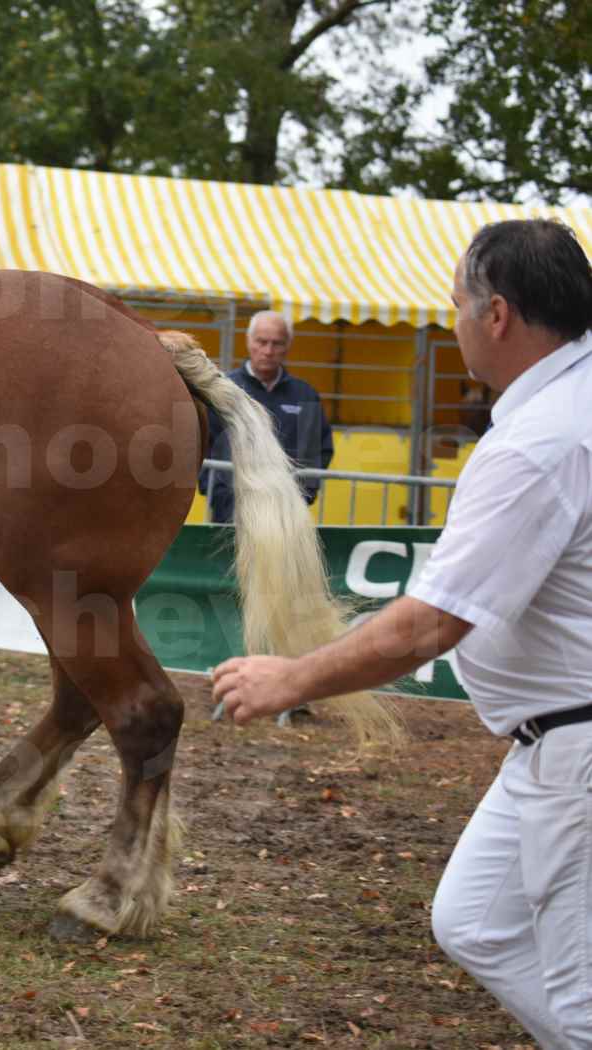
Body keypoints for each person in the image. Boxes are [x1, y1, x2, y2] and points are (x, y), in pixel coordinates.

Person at [212, 218, 592, 1048]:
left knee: (579, 1001)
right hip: (549, 743)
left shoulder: (538, 442)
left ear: (495, 315)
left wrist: (293, 678)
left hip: (578, 746)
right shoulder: (571, 407)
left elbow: (428, 623)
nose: (449, 321)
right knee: (474, 925)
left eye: (456, 303)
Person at [202, 311, 334, 523]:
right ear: (248, 341)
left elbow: (320, 449)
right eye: (261, 342)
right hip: (230, 513)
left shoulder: (305, 395)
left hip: (287, 515)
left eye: (277, 343)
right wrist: (216, 492)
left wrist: (303, 494)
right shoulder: (222, 391)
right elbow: (200, 444)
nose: (268, 351)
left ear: (288, 346)